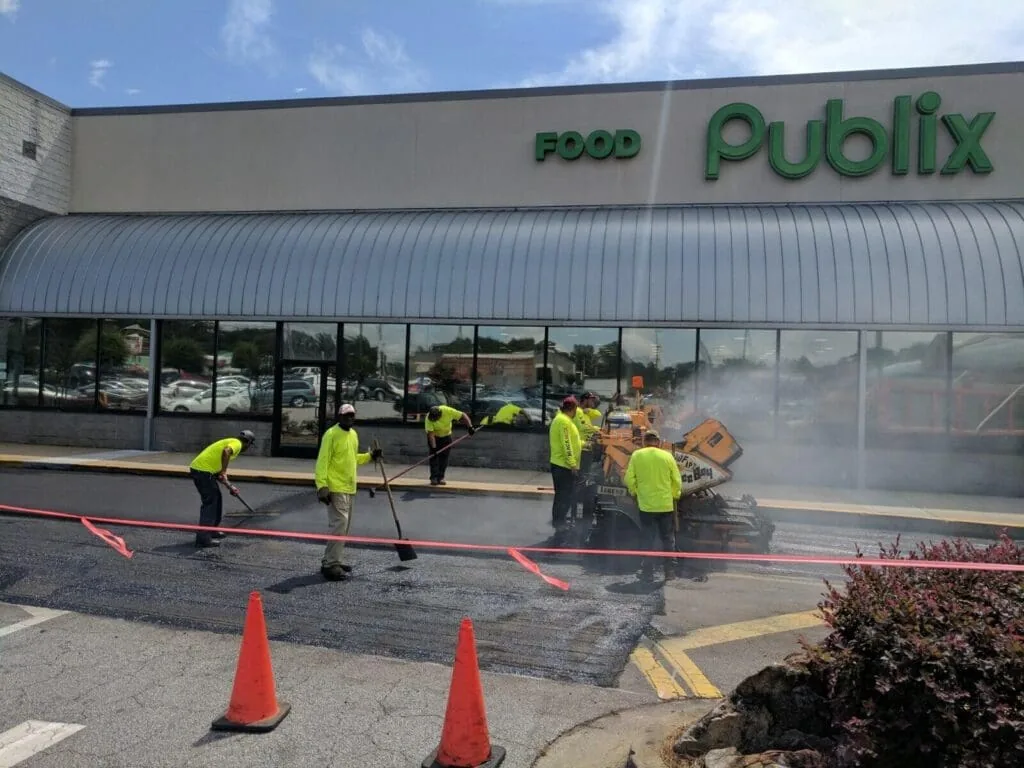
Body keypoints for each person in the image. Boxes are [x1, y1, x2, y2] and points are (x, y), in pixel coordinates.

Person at [314, 403, 382, 581]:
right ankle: (330, 565)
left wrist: (370, 456)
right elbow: (322, 461)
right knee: (339, 524)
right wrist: (322, 486)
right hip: (335, 487)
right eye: (346, 415)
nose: (350, 418)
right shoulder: (331, 434)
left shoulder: (353, 435)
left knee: (343, 527)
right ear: (339, 417)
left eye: (352, 415)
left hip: (350, 487)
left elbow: (353, 459)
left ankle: (332, 559)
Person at [624, 430, 683, 582]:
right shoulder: (667, 456)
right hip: (665, 505)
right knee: (667, 539)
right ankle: (669, 571)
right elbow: (677, 480)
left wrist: (635, 492)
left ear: (644, 441)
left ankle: (647, 572)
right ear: (658, 442)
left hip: (646, 506)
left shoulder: (637, 455)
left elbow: (629, 479)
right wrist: (675, 494)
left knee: (648, 539)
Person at [189, 429, 256, 549]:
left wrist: (230, 486)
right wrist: (224, 471)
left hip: (205, 471)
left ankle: (212, 530)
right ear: (248, 442)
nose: (248, 448)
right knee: (210, 504)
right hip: (202, 471)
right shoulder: (237, 443)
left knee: (217, 500)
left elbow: (218, 474)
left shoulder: (231, 441)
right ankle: (203, 539)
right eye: (250, 445)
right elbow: (226, 452)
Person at [549, 396, 582, 533]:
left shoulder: (562, 420)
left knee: (563, 495)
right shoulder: (564, 422)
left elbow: (571, 441)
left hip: (562, 464)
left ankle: (559, 521)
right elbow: (566, 444)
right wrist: (573, 464)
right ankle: (559, 523)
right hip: (563, 466)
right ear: (573, 409)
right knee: (563, 496)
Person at [424, 403, 474, 485]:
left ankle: (441, 477)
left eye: (435, 419)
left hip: (446, 436)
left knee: (444, 457)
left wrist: (470, 427)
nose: (434, 420)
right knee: (433, 457)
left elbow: (463, 415)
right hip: (434, 437)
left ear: (440, 415)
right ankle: (434, 478)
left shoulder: (447, 411)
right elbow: (431, 435)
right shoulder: (428, 418)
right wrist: (434, 448)